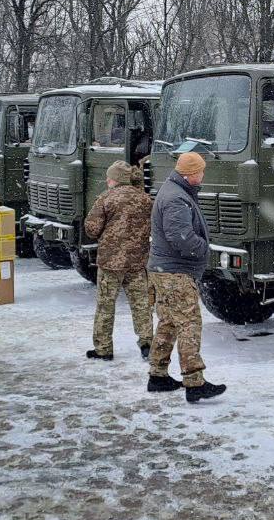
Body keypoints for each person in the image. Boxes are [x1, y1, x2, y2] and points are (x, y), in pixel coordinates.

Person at [147, 151, 225, 402]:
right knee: (189, 323)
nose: (203, 176)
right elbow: (181, 237)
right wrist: (204, 248)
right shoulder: (176, 199)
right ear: (191, 174)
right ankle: (194, 382)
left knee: (169, 322)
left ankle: (157, 375)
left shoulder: (174, 191)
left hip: (165, 270)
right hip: (175, 272)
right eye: (201, 172)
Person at [83, 160, 154, 361]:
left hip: (110, 263)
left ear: (116, 179)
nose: (107, 180)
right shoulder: (145, 199)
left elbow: (92, 229)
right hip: (137, 262)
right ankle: (147, 343)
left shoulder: (106, 199)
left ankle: (103, 348)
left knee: (106, 305)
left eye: (109, 177)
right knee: (141, 304)